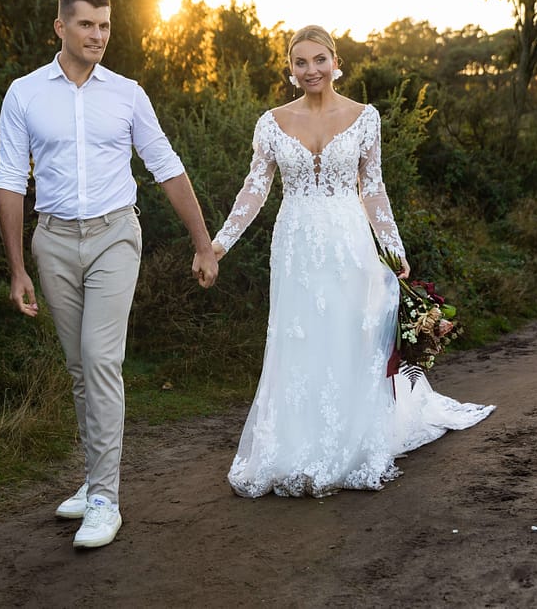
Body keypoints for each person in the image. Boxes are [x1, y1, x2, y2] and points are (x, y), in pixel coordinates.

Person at [212, 25, 494, 498]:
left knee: (350, 336)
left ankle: (351, 440)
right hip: (297, 246)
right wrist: (219, 244)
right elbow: (255, 188)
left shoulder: (366, 118)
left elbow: (374, 188)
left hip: (349, 243)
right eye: (300, 62)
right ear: (290, 67)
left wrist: (395, 251)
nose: (310, 70)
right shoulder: (272, 122)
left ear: (335, 60)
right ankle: (295, 444)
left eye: (318, 59)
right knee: (299, 339)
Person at [0, 0, 219, 547]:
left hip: (116, 235)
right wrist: (18, 268)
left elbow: (166, 165)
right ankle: (93, 478)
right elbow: (8, 180)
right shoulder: (23, 95)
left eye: (105, 26)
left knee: (99, 358)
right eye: (87, 25)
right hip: (53, 241)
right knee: (78, 366)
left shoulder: (127, 94)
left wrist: (203, 242)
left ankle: (105, 499)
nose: (98, 36)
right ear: (60, 29)